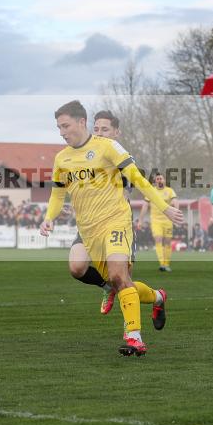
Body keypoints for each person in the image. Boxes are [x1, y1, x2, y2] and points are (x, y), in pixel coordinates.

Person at [40, 100, 183, 357]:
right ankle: (158, 297)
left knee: (119, 276)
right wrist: (49, 217)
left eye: (65, 125)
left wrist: (164, 207)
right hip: (88, 229)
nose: (61, 131)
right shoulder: (62, 158)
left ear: (81, 122)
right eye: (58, 127)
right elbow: (57, 194)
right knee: (77, 268)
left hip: (116, 221)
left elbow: (138, 178)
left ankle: (134, 337)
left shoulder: (107, 147)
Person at [65, 110, 130, 315]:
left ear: (116, 132)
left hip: (115, 225)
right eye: (97, 129)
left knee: (122, 280)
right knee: (77, 268)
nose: (100, 133)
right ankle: (105, 286)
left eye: (105, 129)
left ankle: (153, 302)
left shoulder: (121, 157)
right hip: (88, 226)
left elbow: (127, 192)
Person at [138, 172, 178, 272]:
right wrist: (140, 220)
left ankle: (166, 263)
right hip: (156, 220)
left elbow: (175, 202)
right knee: (158, 239)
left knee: (167, 241)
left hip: (168, 220)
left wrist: (176, 214)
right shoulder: (151, 191)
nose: (159, 180)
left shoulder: (169, 191)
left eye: (161, 178)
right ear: (155, 182)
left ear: (164, 180)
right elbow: (145, 206)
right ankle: (162, 264)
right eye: (157, 179)